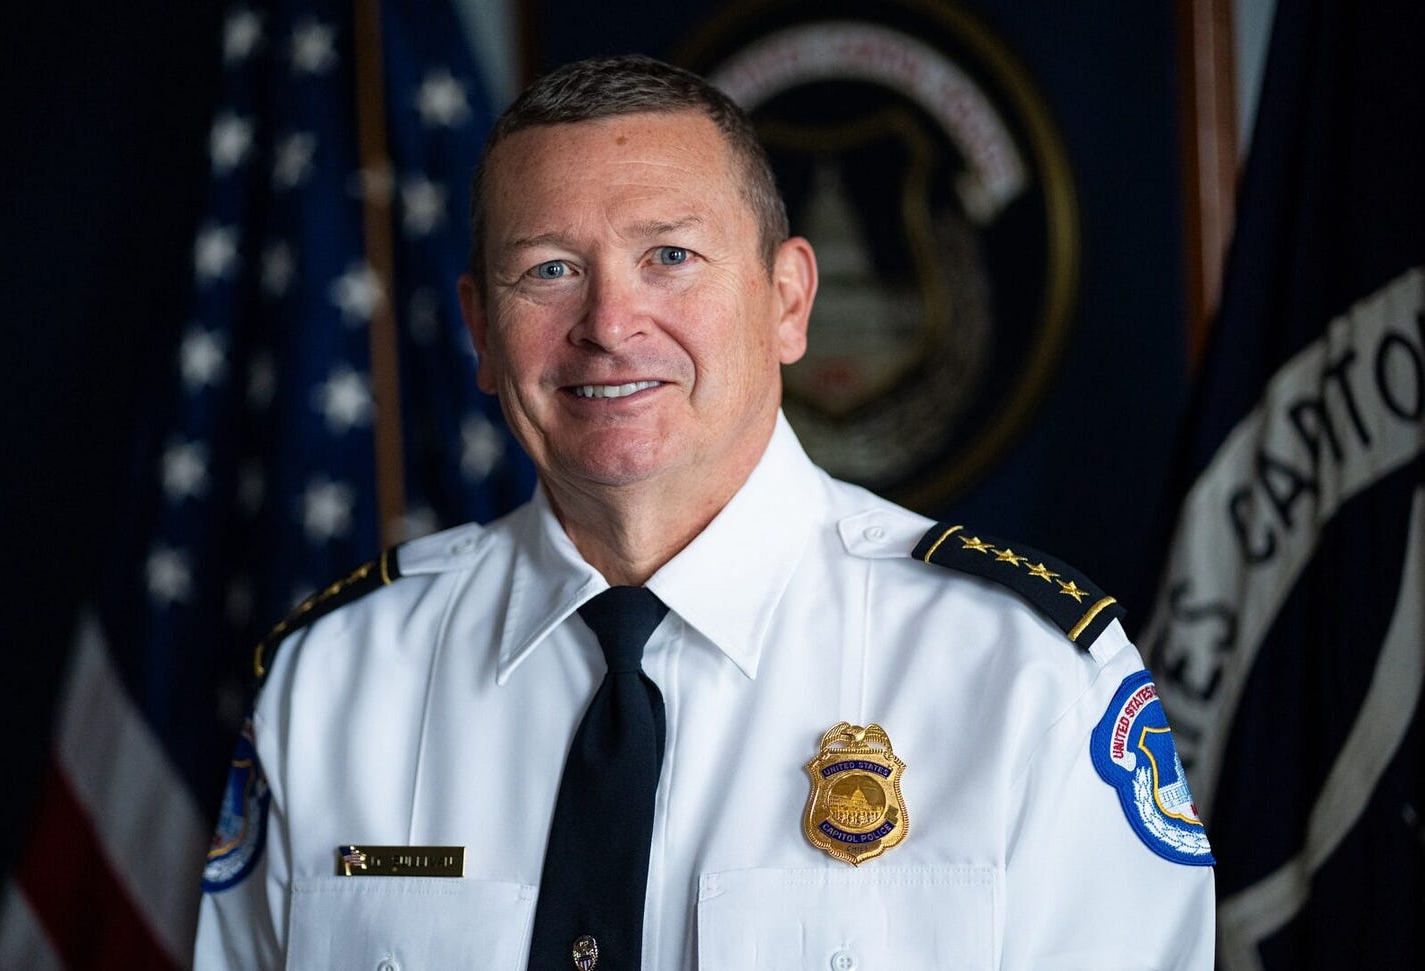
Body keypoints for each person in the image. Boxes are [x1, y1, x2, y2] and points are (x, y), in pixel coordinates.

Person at [194, 54, 1215, 969]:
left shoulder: (1019, 672)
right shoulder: (336, 678)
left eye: (670, 256)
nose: (608, 324)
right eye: (549, 269)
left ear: (787, 299)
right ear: (480, 330)